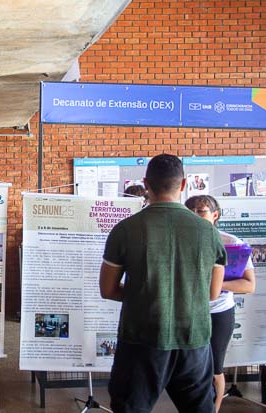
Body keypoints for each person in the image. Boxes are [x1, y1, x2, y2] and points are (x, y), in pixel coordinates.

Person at [99, 154, 226, 413]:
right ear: (183, 185)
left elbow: (108, 289)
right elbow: (213, 293)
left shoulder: (125, 229)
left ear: (146, 184)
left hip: (141, 338)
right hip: (194, 339)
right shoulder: (209, 233)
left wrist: (147, 293)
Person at [185, 195, 256, 412]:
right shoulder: (178, 241)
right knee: (189, 369)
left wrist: (216, 284)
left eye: (201, 211)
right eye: (190, 211)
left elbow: (249, 285)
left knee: (215, 368)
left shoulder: (231, 243)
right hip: (186, 312)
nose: (195, 215)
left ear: (215, 215)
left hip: (219, 313)